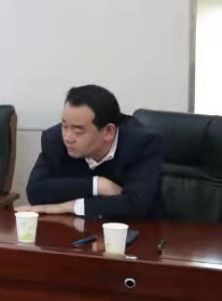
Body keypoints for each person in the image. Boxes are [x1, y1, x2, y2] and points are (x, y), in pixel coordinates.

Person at [17, 84, 164, 220]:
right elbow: (36, 192)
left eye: (78, 130)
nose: (68, 138)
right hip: (75, 230)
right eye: (64, 126)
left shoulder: (142, 144)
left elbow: (137, 205)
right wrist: (97, 185)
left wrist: (67, 207)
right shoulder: (54, 140)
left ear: (108, 132)